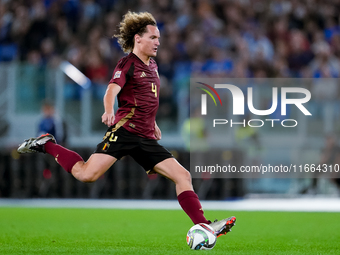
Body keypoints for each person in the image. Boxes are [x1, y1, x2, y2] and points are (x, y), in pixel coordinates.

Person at [17, 11, 236, 237]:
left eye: (159, 38)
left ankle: (204, 225)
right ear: (137, 39)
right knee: (86, 175)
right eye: (153, 37)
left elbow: (146, 99)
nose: (158, 42)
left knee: (183, 176)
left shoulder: (153, 66)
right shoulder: (127, 63)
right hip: (125, 132)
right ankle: (46, 144)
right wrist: (109, 110)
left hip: (145, 136)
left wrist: (154, 123)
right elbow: (112, 90)